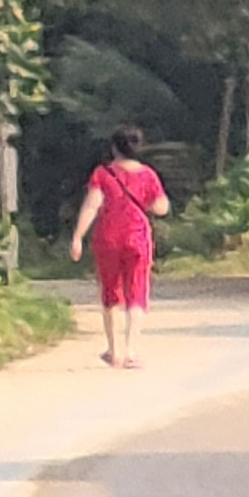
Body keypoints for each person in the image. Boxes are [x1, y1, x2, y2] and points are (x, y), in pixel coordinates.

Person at [67, 124, 172, 368]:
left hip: (109, 239)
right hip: (138, 239)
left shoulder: (102, 174)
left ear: (114, 148)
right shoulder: (148, 175)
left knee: (111, 293)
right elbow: (161, 208)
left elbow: (92, 205)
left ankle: (114, 351)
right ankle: (131, 351)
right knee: (137, 292)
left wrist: (77, 237)